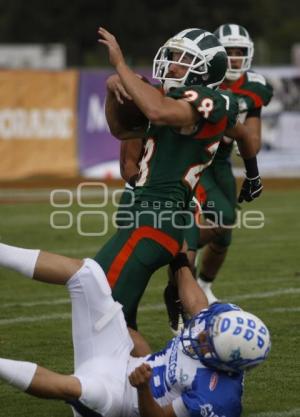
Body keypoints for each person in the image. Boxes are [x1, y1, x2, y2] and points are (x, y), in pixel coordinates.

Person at [95, 26, 262, 330]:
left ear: (203, 69)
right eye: (173, 56)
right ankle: (195, 333)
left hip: (161, 208)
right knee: (180, 265)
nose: (171, 64)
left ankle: (144, 355)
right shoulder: (157, 96)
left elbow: (159, 112)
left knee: (107, 303)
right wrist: (113, 88)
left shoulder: (206, 100)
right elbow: (124, 143)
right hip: (153, 203)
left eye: (181, 59)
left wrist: (120, 66)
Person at [0, 241, 271, 417]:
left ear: (226, 364)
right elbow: (198, 305)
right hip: (120, 356)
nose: (200, 334)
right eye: (208, 331)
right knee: (89, 274)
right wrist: (178, 260)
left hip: (120, 396)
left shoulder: (219, 398)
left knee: (85, 390)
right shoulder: (223, 319)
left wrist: (141, 388)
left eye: (207, 342)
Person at [164, 24, 273, 333]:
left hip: (223, 162)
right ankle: (177, 268)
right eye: (229, 52)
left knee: (224, 232)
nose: (235, 58)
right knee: (218, 219)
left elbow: (252, 135)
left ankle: (202, 285)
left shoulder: (255, 85)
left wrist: (251, 163)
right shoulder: (201, 80)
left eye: (240, 51)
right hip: (202, 159)